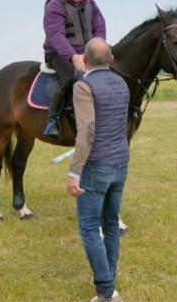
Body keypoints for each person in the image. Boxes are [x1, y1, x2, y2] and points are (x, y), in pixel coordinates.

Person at [65, 38, 129, 302]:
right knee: (111, 225)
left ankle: (105, 291)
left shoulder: (83, 85)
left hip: (96, 166)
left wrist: (74, 171)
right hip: (120, 163)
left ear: (86, 62)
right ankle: (109, 283)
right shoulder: (123, 83)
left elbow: (87, 132)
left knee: (90, 228)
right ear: (112, 59)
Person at [42, 0, 106, 138]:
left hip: (86, 52)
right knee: (70, 76)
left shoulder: (90, 3)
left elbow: (100, 27)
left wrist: (98, 47)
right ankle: (52, 121)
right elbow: (55, 35)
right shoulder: (55, 4)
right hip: (59, 53)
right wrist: (72, 56)